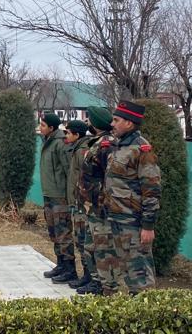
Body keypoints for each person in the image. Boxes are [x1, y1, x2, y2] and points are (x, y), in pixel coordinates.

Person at [102, 100, 162, 295]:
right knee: (128, 272)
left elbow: (151, 190)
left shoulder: (142, 149)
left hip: (133, 224)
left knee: (141, 277)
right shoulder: (119, 146)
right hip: (118, 220)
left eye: (116, 120)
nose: (112, 124)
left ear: (129, 123)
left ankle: (147, 310)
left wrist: (148, 226)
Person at [77, 106, 114, 295]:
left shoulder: (107, 145)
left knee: (102, 249)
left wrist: (103, 200)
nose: (88, 122)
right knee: (90, 247)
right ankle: (96, 282)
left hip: (100, 207)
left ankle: (106, 287)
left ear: (96, 122)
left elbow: (111, 177)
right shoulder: (96, 142)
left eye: (90, 119)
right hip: (91, 206)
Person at [39, 112, 75, 283]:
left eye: (43, 125)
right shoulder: (48, 141)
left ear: (51, 128)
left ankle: (70, 269)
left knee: (63, 233)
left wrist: (70, 196)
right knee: (54, 232)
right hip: (49, 194)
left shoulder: (61, 143)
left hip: (60, 196)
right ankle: (61, 264)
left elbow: (69, 171)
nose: (40, 128)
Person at [63, 118, 94, 290]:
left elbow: (85, 178)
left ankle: (90, 277)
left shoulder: (83, 151)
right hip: (77, 202)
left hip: (83, 204)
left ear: (77, 134)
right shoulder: (76, 149)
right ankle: (86, 275)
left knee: (84, 241)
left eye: (68, 133)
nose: (66, 136)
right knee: (80, 240)